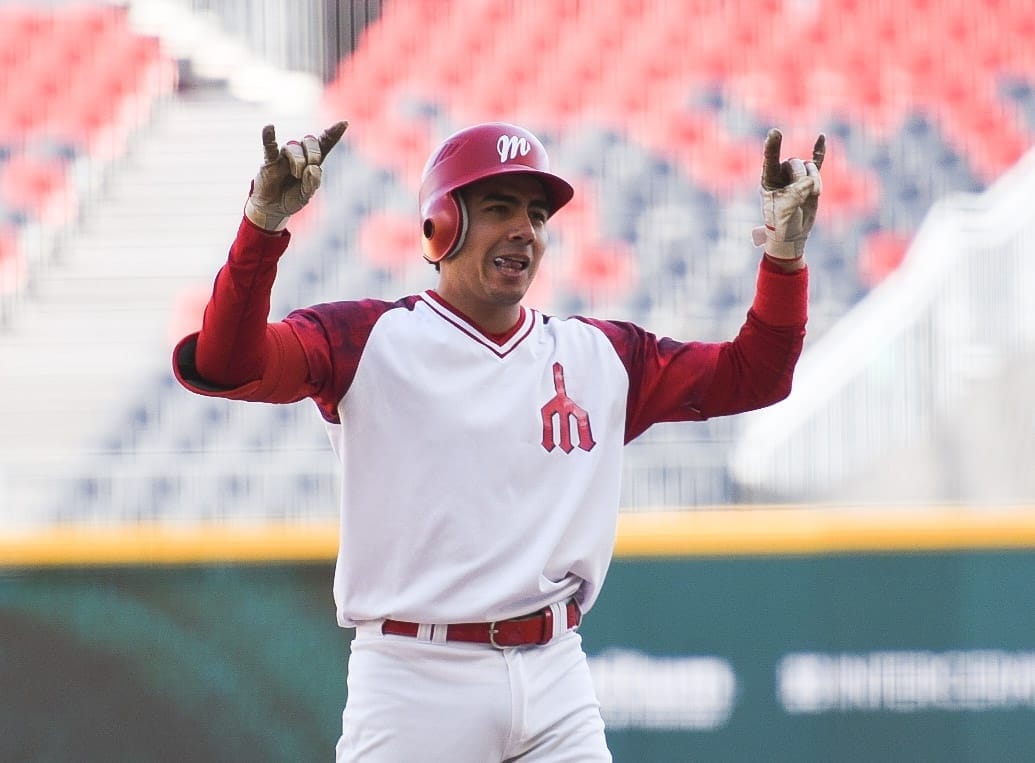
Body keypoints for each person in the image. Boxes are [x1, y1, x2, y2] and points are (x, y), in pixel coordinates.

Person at [173, 119, 824, 761]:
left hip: (555, 672)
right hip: (414, 677)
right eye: (498, 207)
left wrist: (785, 255)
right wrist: (262, 226)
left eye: (537, 214)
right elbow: (229, 363)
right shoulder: (364, 339)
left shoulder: (600, 355)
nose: (524, 228)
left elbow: (755, 375)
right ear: (441, 225)